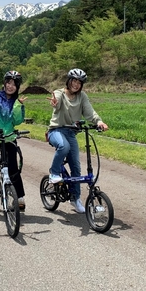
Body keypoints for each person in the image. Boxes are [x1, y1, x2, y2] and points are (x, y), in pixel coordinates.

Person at [46, 68, 108, 213]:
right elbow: (57, 103)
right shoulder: (59, 93)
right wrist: (54, 104)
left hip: (71, 132)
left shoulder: (82, 96)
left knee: (76, 167)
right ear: (69, 81)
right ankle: (54, 173)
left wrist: (99, 122)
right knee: (63, 146)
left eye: (79, 82)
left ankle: (75, 198)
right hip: (56, 130)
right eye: (74, 81)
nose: (76, 84)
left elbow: (89, 111)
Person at [0, 71, 27, 216]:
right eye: (8, 83)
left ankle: (19, 197)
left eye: (14, 84)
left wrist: (18, 106)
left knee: (13, 169)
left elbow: (17, 121)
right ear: (4, 83)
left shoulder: (17, 100)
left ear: (17, 86)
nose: (10, 86)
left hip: (8, 138)